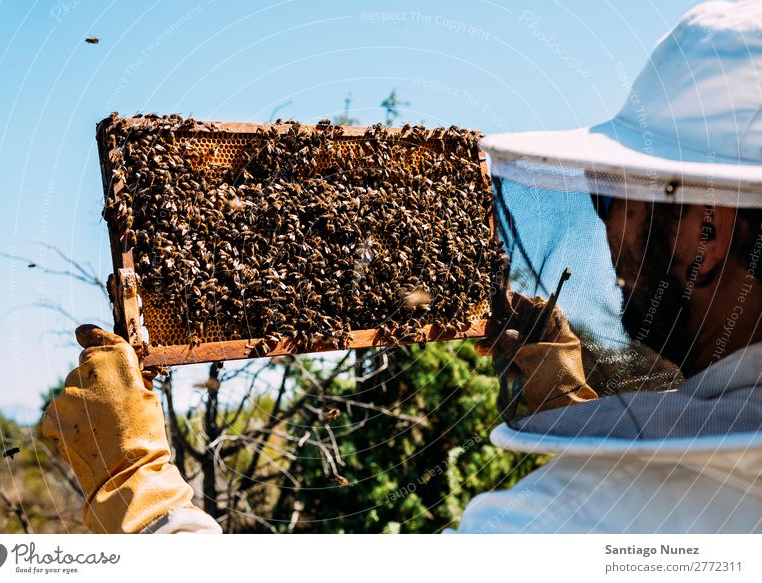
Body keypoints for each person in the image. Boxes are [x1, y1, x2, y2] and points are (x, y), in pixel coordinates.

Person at [42, 0, 762, 533]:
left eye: (614, 194)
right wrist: (579, 414)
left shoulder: (568, 525)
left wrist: (139, 496)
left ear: (705, 233)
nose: (608, 226)